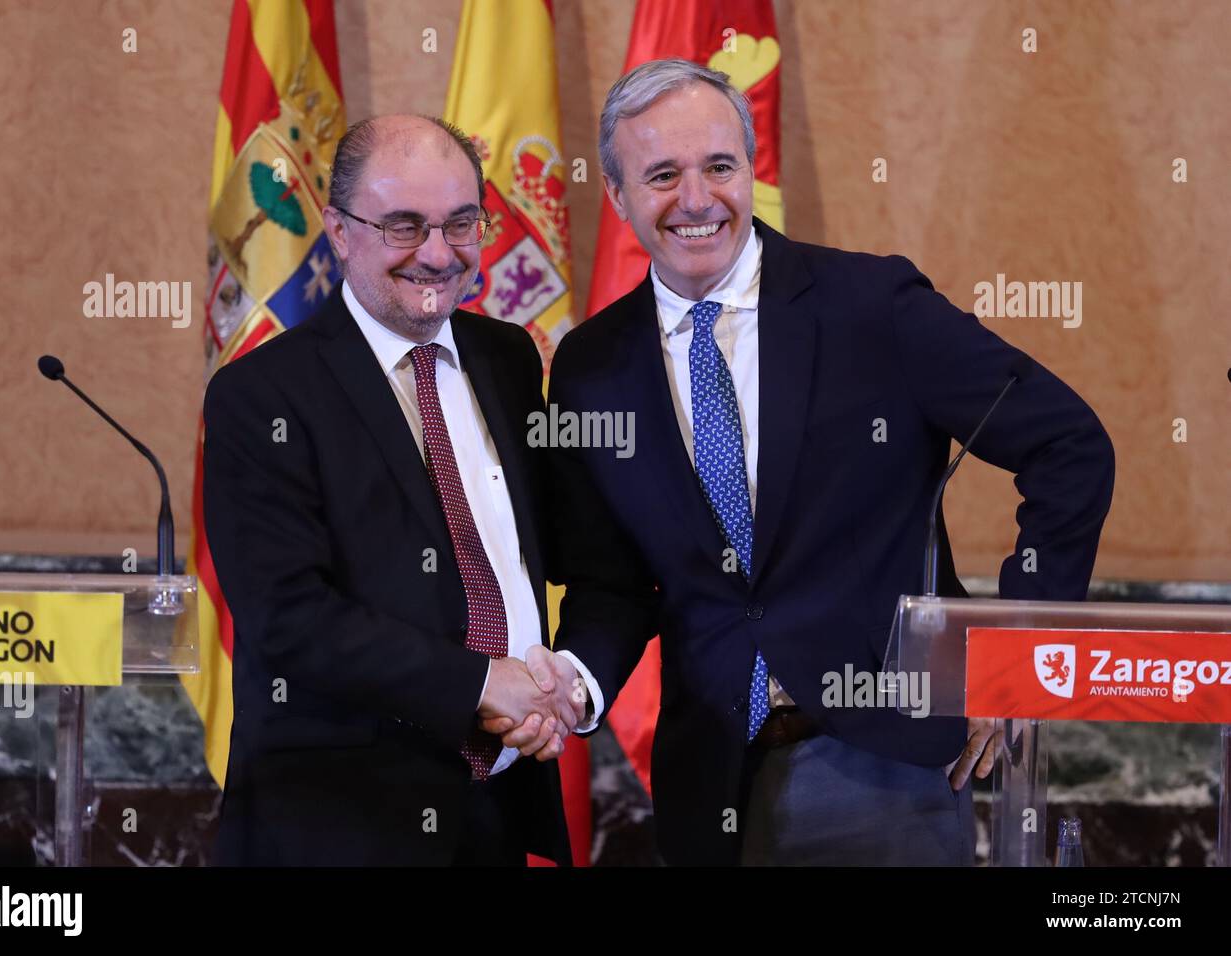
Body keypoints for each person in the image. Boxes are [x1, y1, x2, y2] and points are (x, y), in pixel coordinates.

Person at [487, 59, 1115, 865]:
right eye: (662, 175)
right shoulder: (588, 366)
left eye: (719, 166)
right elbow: (612, 584)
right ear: (617, 196)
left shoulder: (872, 307)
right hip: (706, 784)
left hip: (884, 775)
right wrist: (575, 682)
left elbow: (1068, 445)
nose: (697, 199)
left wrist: (1009, 661)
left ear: (751, 171)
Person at [203, 114, 582, 866]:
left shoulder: (509, 360)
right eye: (404, 227)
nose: (438, 255)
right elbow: (288, 617)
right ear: (340, 232)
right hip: (336, 826)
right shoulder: (262, 395)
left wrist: (554, 685)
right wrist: (480, 684)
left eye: (460, 224)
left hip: (496, 808)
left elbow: (547, 554)